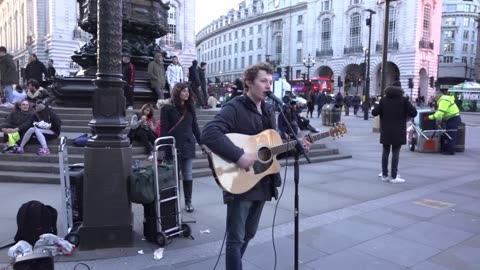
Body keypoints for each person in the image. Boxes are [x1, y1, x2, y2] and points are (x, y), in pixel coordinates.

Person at [201, 62, 311, 270]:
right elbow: (209, 133)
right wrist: (238, 155)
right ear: (249, 83)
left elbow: (272, 149)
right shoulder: (235, 107)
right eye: (263, 81)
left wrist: (298, 147)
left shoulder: (269, 110)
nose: (268, 86)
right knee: (236, 237)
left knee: (249, 234)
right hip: (240, 180)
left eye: (270, 81)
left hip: (261, 180)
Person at [160, 82, 202, 212]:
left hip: (188, 145)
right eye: (184, 91)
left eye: (188, 91)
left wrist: (202, 143)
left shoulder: (190, 107)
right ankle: (174, 201)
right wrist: (163, 149)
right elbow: (164, 130)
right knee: (174, 176)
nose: (187, 93)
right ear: (177, 92)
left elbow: (195, 126)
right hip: (173, 147)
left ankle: (188, 202)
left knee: (188, 174)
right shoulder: (167, 108)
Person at [372, 85, 417, 183]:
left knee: (385, 152)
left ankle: (384, 175)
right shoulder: (404, 100)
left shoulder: (383, 100)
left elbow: (374, 113)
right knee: (395, 153)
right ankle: (394, 176)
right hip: (398, 130)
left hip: (386, 130)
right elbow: (414, 113)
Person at [428, 89, 461, 155]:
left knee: (451, 135)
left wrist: (430, 117)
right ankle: (448, 148)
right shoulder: (443, 99)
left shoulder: (443, 100)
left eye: (434, 95)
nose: (433, 97)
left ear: (438, 95)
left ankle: (450, 151)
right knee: (449, 134)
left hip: (453, 119)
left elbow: (440, 112)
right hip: (452, 118)